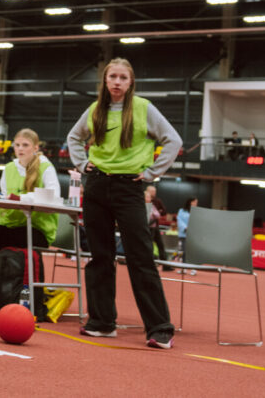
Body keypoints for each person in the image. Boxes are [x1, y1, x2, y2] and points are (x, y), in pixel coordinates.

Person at [67, 57, 181, 349]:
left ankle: (160, 329)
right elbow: (74, 137)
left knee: (140, 256)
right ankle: (102, 322)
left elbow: (174, 140)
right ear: (105, 80)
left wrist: (152, 173)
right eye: (112, 77)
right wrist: (81, 164)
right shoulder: (95, 109)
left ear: (131, 83)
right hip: (97, 185)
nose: (117, 82)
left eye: (123, 78)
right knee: (100, 256)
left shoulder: (144, 108)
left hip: (129, 187)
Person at [0, 128, 60, 262]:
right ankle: (3, 272)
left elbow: (53, 196)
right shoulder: (9, 168)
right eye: (17, 145)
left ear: (35, 148)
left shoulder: (46, 168)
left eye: (25, 145)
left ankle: (11, 272)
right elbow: (7, 197)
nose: (20, 149)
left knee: (8, 244)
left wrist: (21, 198)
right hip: (11, 225)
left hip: (37, 228)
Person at [146, 184, 172, 270]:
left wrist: (158, 212)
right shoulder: (143, 202)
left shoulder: (157, 201)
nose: (154, 193)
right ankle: (149, 264)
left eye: (155, 191)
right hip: (147, 228)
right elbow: (155, 214)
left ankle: (165, 265)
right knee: (148, 246)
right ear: (147, 192)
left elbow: (162, 212)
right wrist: (156, 213)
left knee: (160, 245)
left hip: (155, 227)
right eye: (152, 191)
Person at [175, 197, 197, 275]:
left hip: (193, 235)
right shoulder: (181, 210)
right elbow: (179, 220)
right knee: (184, 252)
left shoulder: (196, 211)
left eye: (196, 202)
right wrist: (185, 227)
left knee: (192, 252)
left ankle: (193, 269)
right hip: (183, 234)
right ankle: (183, 268)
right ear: (190, 202)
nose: (196, 203)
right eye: (195, 202)